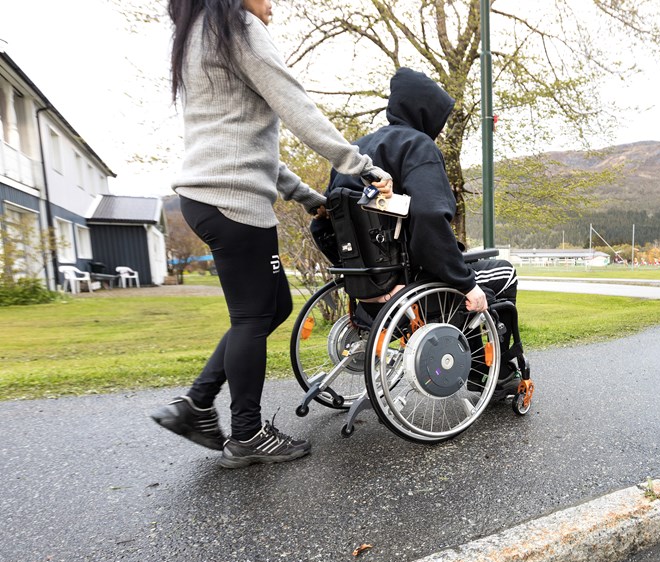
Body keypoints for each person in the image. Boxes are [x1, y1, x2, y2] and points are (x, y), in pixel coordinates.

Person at [150, 0, 392, 468]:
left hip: (209, 197)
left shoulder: (202, 33)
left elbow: (251, 147)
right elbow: (295, 104)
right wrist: (361, 167)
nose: (273, 5)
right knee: (252, 318)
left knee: (272, 307)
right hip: (234, 201)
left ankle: (197, 403)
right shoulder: (235, 25)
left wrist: (308, 197)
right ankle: (246, 434)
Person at [324, 67, 521, 387]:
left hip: (368, 291)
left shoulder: (356, 152)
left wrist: (361, 277)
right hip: (414, 287)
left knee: (469, 270)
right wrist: (465, 283)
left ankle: (474, 361)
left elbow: (325, 223)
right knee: (502, 272)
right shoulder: (417, 146)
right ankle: (486, 374)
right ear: (426, 112)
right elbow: (429, 220)